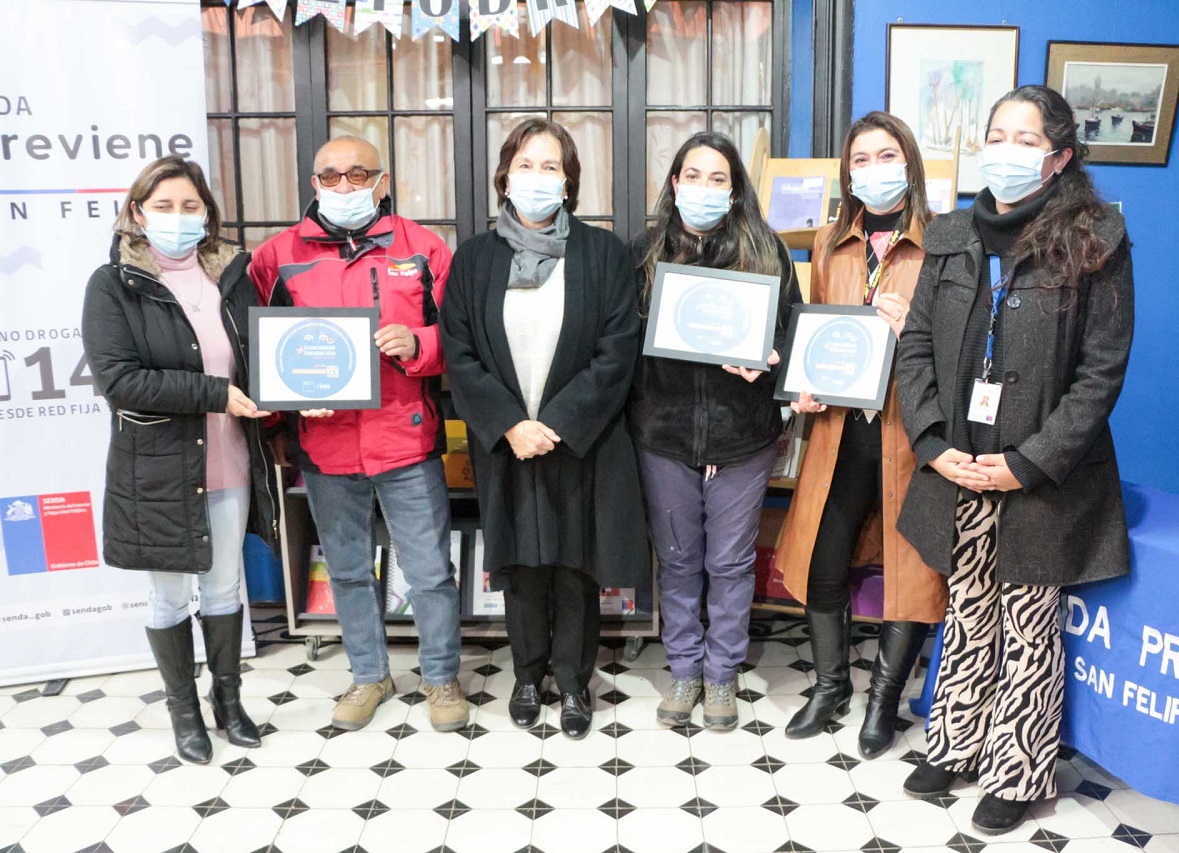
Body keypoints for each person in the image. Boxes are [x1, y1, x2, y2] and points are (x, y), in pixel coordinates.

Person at [894, 85, 1134, 834]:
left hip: (1039, 473)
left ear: (1059, 156)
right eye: (997, 132)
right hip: (960, 462)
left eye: (1024, 138)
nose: (1005, 147)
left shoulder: (1097, 238)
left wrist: (1029, 462)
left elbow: (1102, 372)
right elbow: (917, 346)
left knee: (1028, 622)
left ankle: (1019, 768)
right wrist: (932, 441)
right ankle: (957, 739)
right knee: (967, 606)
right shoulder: (951, 233)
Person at [249, 135, 466, 733]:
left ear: (382, 179)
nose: (344, 186)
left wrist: (419, 343)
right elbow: (256, 350)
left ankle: (441, 676)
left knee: (428, 571)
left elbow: (463, 338)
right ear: (313, 183)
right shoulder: (275, 257)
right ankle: (369, 675)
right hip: (325, 446)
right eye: (330, 176)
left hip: (407, 438)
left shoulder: (422, 249)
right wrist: (286, 404)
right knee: (346, 569)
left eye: (357, 174)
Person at [440, 118, 648, 739]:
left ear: (569, 182)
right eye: (525, 165)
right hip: (506, 442)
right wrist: (509, 424)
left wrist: (554, 423)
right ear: (505, 176)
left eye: (550, 166)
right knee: (522, 562)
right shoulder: (475, 258)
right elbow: (459, 350)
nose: (537, 177)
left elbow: (618, 351)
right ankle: (528, 674)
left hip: (579, 440)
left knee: (575, 561)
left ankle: (574, 678)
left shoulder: (602, 254)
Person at [82, 156, 276, 764]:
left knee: (223, 588)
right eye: (163, 206)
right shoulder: (113, 284)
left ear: (207, 214)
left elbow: (265, 357)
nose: (177, 217)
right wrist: (216, 394)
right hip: (159, 473)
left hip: (231, 462)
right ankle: (183, 712)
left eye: (190, 206)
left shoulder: (233, 275)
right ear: (137, 212)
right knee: (169, 599)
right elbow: (121, 381)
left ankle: (228, 701)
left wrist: (302, 395)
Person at [775, 112, 947, 748]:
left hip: (911, 433)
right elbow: (818, 331)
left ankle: (882, 702)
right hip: (842, 431)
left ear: (909, 163)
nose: (874, 170)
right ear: (847, 173)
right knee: (823, 560)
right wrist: (806, 380)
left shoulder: (946, 241)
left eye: (886, 156)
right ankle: (830, 685)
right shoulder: (828, 243)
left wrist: (916, 333)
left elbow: (962, 353)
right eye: (861, 160)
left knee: (911, 572)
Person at [631, 131, 802, 732]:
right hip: (665, 435)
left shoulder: (766, 252)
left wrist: (773, 356)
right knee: (678, 561)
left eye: (718, 179)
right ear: (674, 183)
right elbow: (624, 352)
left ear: (735, 191)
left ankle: (722, 672)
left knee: (729, 564)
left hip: (743, 438)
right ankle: (683, 667)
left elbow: (791, 333)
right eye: (693, 176)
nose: (704, 189)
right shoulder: (644, 255)